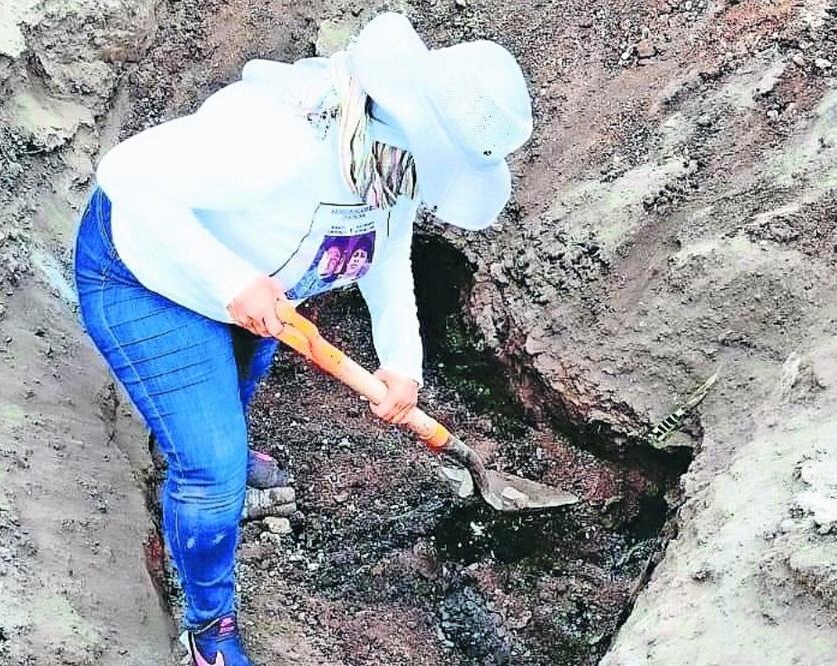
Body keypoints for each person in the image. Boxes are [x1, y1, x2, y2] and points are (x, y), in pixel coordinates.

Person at [72, 12, 533, 666]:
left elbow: (386, 254)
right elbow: (128, 174)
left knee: (231, 399)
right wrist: (229, 279)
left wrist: (403, 363)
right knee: (211, 474)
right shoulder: (275, 139)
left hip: (256, 300)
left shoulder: (387, 161)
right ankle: (207, 634)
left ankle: (205, 442)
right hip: (146, 279)